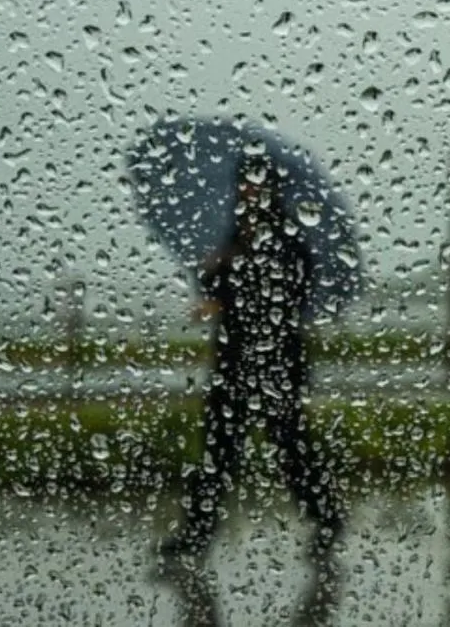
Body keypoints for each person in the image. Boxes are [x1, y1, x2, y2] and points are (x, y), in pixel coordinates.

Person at [155, 156, 346, 625]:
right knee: (218, 452)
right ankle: (197, 534)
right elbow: (216, 286)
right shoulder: (234, 237)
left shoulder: (288, 239)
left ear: (269, 189)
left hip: (277, 364)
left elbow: (291, 293)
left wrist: (234, 273)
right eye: (243, 185)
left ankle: (327, 520)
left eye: (254, 185)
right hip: (234, 364)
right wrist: (217, 269)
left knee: (291, 450)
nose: (248, 193)